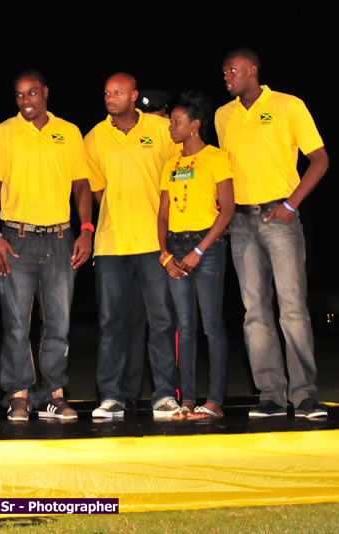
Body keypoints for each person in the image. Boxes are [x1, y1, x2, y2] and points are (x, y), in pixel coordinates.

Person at [216, 48, 329, 418]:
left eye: (232, 70)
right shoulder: (223, 115)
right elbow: (225, 170)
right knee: (254, 312)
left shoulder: (288, 105)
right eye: (224, 72)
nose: (227, 77)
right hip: (241, 223)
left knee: (292, 308)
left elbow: (320, 160)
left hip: (280, 218)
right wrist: (225, 210)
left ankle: (305, 395)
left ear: (252, 70)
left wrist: (292, 204)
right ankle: (271, 396)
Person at [0, 70, 93, 421]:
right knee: (17, 322)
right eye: (19, 95)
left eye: (31, 92)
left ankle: (53, 394)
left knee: (58, 323)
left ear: (45, 92)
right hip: (17, 238)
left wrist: (86, 230)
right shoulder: (2, 133)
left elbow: (81, 185)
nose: (25, 100)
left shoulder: (69, 132)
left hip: (61, 238)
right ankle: (19, 394)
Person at [84, 73, 181, 421]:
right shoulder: (95, 136)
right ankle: (112, 396)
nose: (110, 98)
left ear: (134, 96)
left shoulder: (160, 129)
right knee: (111, 323)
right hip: (111, 244)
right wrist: (118, 210)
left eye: (118, 92)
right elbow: (97, 188)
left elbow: (177, 173)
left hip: (154, 243)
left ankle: (164, 394)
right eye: (107, 92)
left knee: (162, 320)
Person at [158, 91, 235, 420]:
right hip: (176, 247)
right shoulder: (171, 164)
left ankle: (214, 402)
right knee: (185, 326)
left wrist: (200, 250)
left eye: (177, 122)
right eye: (171, 122)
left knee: (212, 324)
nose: (171, 127)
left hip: (207, 247)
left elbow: (227, 210)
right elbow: (163, 214)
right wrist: (165, 254)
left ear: (195, 125)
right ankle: (187, 401)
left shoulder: (216, 158)